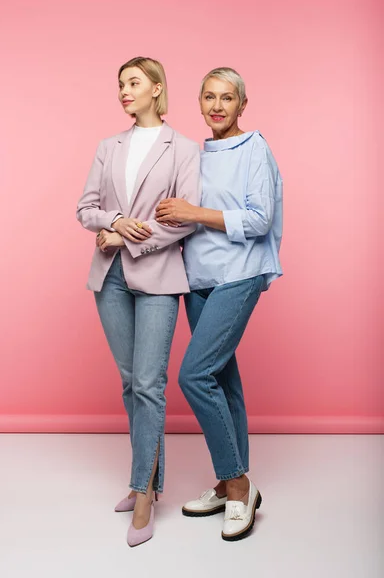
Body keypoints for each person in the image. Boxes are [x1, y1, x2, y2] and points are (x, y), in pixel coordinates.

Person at [155, 67, 283, 541]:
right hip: (199, 277)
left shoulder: (255, 148)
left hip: (240, 273)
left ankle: (239, 484)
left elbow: (259, 217)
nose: (217, 105)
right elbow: (175, 211)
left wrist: (194, 213)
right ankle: (229, 481)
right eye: (209, 96)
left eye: (227, 97)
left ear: (242, 104)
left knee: (194, 375)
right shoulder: (194, 154)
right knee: (224, 380)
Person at [77, 57, 200, 547]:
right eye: (120, 85)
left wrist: (132, 238)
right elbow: (85, 207)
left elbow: (186, 217)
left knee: (150, 384)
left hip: (159, 278)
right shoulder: (109, 146)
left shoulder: (184, 148)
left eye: (132, 83)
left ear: (156, 89)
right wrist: (114, 222)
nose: (124, 92)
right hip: (108, 278)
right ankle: (144, 477)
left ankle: (144, 492)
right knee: (131, 383)